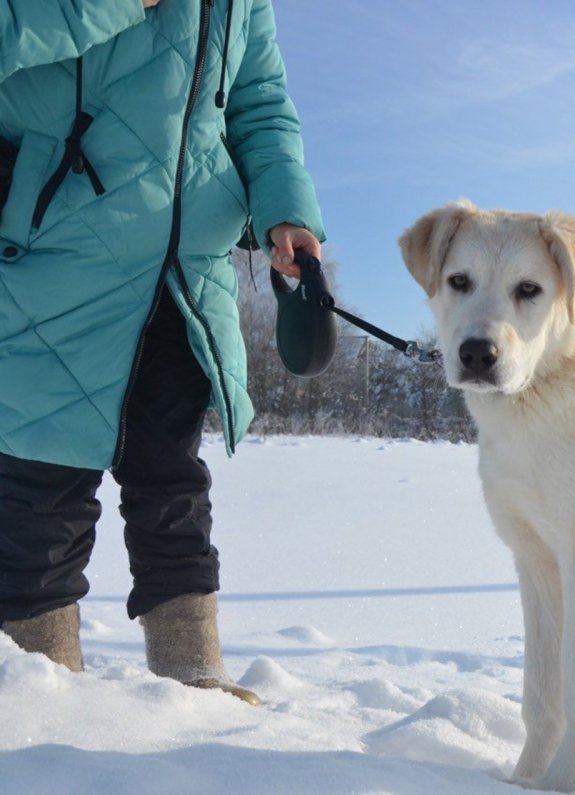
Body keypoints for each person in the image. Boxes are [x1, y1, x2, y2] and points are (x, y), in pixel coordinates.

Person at [0, 0, 324, 703]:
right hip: (54, 256)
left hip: (186, 269)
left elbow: (260, 105)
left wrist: (285, 208)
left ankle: (192, 672)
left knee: (172, 479)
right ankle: (35, 686)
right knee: (41, 482)